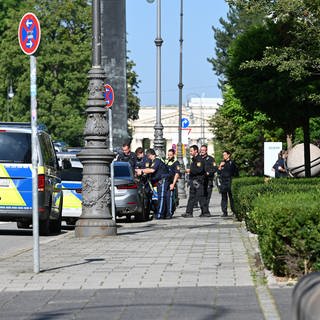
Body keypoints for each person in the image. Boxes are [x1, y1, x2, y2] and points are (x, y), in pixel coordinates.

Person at [135, 148, 169, 219]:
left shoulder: (157, 160)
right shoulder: (154, 161)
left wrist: (141, 170)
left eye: (148, 155)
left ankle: (160, 215)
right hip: (159, 182)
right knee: (160, 198)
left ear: (150, 155)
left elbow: (152, 170)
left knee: (161, 198)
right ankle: (162, 214)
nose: (148, 157)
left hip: (162, 180)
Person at [182, 145, 211, 218]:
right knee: (192, 197)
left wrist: (190, 171)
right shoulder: (194, 159)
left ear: (196, 151)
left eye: (191, 151)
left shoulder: (199, 159)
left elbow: (199, 170)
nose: (190, 152)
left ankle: (205, 212)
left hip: (198, 181)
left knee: (201, 197)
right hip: (194, 181)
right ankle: (189, 212)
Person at [218, 150, 238, 217]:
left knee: (231, 197)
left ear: (228, 155)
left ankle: (234, 211)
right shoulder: (222, 163)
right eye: (223, 155)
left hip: (230, 181)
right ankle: (224, 212)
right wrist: (220, 166)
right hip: (223, 182)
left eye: (225, 155)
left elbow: (233, 171)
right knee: (224, 198)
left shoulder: (231, 162)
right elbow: (218, 172)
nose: (224, 156)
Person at [165, 149, 180, 218]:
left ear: (174, 155)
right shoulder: (166, 161)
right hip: (166, 183)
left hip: (171, 183)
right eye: (168, 155)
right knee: (165, 198)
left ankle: (169, 213)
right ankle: (166, 212)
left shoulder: (176, 163)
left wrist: (173, 184)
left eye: (170, 155)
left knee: (170, 198)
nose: (169, 156)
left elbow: (177, 174)